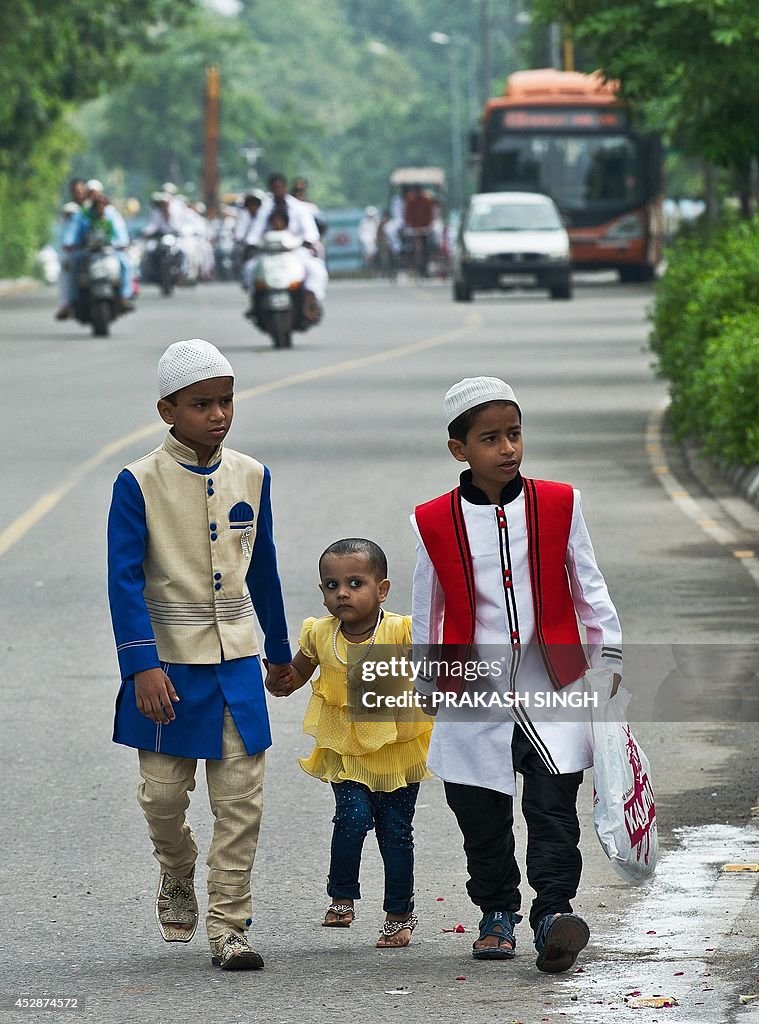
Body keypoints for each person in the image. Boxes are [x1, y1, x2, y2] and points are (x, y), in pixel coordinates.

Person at [410, 376, 623, 973]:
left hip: (552, 681)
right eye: (490, 438)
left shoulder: (560, 503)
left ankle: (554, 913)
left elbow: (589, 589)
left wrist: (607, 663)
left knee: (554, 805)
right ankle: (496, 910)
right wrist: (428, 685)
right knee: (478, 806)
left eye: (514, 434)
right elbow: (429, 607)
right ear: (459, 449)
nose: (507, 449)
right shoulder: (432, 521)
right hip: (471, 686)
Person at [107, 338, 292, 971]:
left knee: (240, 802)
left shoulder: (252, 475)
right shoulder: (137, 483)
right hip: (166, 668)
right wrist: (142, 664)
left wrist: (281, 651)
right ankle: (177, 866)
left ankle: (229, 925)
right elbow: (123, 579)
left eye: (226, 401)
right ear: (168, 410)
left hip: (237, 663)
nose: (218, 414)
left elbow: (261, 568)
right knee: (161, 798)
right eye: (201, 403)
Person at [267, 538, 432, 948]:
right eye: (331, 585)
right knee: (352, 817)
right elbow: (291, 680)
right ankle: (342, 895)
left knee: (395, 832)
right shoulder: (320, 634)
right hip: (346, 748)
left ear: (382, 590)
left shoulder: (402, 630)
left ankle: (398, 915)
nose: (342, 593)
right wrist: (276, 678)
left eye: (355, 583)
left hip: (396, 750)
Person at [244, 172, 328, 320]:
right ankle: (255, 303)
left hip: (295, 252)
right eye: (274, 187)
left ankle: (309, 302)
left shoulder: (298, 207)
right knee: (250, 268)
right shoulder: (265, 208)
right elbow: (255, 231)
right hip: (270, 252)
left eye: (280, 186)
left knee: (316, 269)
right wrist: (251, 244)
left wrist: (308, 241)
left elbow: (310, 232)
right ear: (270, 188)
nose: (277, 189)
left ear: (284, 187)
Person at [63, 191, 135, 311]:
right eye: (98, 205)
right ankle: (72, 300)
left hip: (109, 252)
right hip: (87, 252)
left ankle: (124, 295)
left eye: (103, 205)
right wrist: (70, 243)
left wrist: (122, 244)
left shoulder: (110, 217)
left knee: (125, 264)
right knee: (72, 265)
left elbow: (120, 235)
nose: (101, 208)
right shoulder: (84, 217)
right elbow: (73, 233)